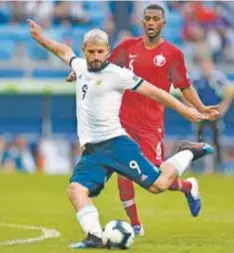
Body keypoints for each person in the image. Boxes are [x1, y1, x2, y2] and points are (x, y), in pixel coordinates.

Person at [28, 19, 214, 249]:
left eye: (100, 52)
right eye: (91, 52)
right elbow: (63, 50)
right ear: (85, 51)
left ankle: (187, 152)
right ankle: (95, 237)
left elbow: (155, 92)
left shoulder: (119, 74)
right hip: (93, 151)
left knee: (158, 185)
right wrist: (41, 38)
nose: (95, 56)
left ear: (107, 52)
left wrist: (185, 109)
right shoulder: (80, 66)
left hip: (117, 144)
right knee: (76, 190)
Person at [66, 3, 219, 235]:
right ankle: (135, 226)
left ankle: (187, 185)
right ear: (142, 21)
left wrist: (200, 108)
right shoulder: (127, 48)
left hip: (151, 124)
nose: (150, 22)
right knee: (125, 173)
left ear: (163, 24)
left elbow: (184, 86)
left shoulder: (172, 54)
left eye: (155, 19)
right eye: (147, 18)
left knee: (155, 179)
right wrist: (79, 71)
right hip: (120, 121)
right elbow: (100, 65)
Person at [193, 57, 233, 168]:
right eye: (203, 65)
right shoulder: (196, 79)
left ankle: (219, 165)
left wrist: (223, 107)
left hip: (215, 113)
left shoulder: (219, 78)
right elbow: (184, 91)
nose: (205, 67)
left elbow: (229, 92)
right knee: (198, 140)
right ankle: (198, 165)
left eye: (207, 64)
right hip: (200, 113)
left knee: (217, 139)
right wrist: (191, 108)